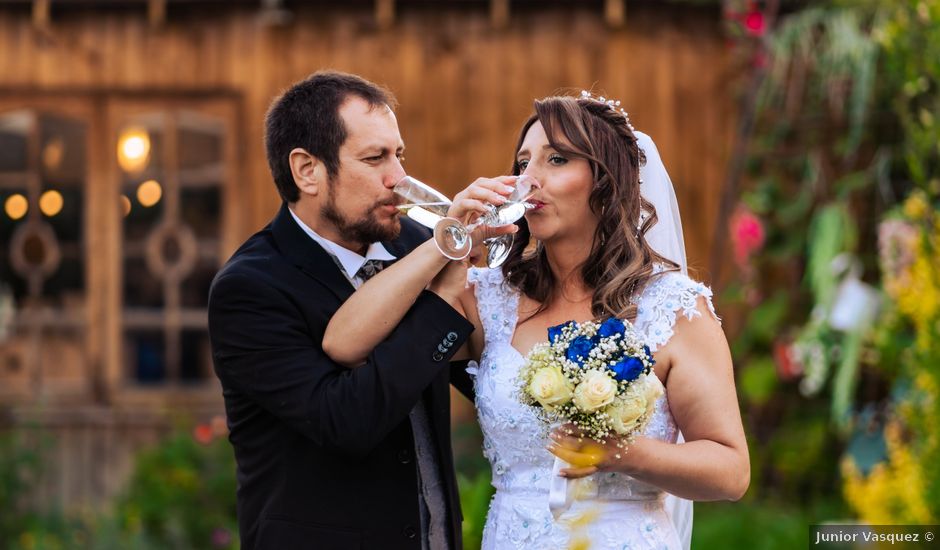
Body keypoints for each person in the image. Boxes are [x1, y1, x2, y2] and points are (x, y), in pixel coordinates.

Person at [321, 92, 750, 549]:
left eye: (557, 159)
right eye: (523, 163)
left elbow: (730, 471)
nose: (529, 180)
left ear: (607, 181)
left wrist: (621, 452)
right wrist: (448, 239)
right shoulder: (490, 298)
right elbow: (345, 344)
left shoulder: (672, 308)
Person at [208, 70, 485, 550]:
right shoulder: (250, 287)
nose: (398, 178)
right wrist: (442, 298)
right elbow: (345, 421)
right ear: (307, 171)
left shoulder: (419, 245)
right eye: (375, 158)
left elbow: (481, 372)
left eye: (399, 155)